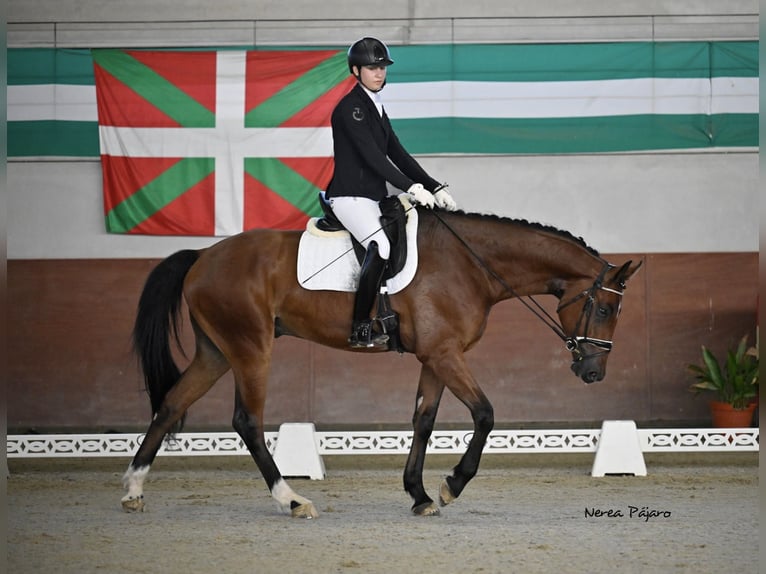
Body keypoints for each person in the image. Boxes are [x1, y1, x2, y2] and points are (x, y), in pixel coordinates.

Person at [325, 36, 458, 349]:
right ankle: (359, 327)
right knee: (380, 246)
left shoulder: (375, 106)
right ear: (355, 70)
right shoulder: (352, 109)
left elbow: (397, 152)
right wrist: (409, 187)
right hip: (350, 197)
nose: (379, 73)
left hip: (373, 197)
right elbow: (372, 157)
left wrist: (433, 185)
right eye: (372, 67)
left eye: (382, 66)